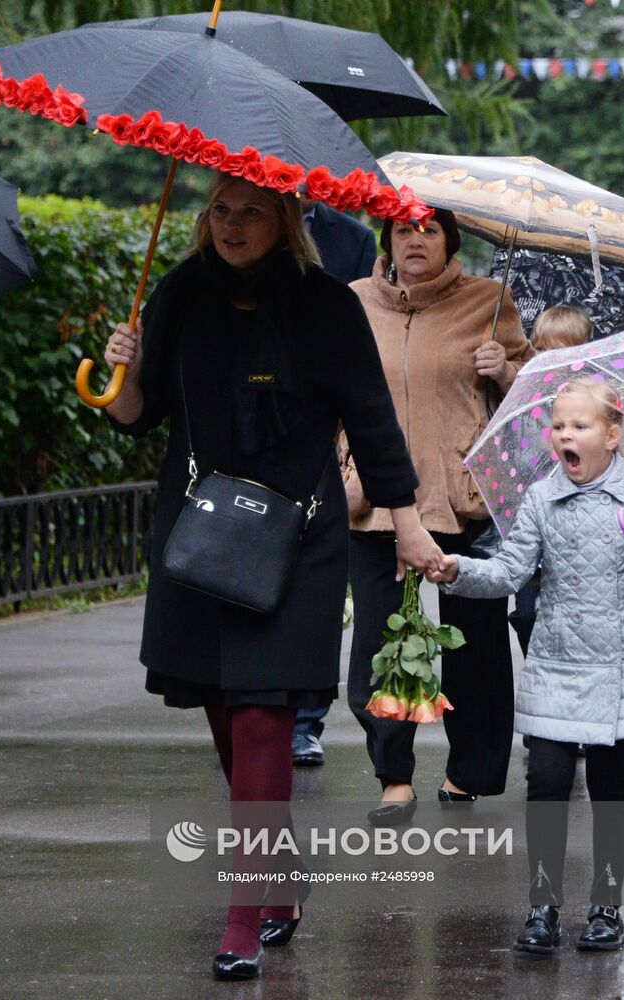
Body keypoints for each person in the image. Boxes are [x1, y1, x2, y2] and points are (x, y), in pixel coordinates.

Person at [103, 174, 442, 981]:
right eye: (220, 209)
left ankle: (243, 912)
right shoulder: (180, 290)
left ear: (285, 219)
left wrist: (403, 517)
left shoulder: (323, 303)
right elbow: (138, 415)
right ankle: (280, 873)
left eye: (251, 211)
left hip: (296, 535)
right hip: (196, 530)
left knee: (262, 712)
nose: (232, 224)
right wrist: (122, 372)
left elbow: (369, 415)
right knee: (222, 706)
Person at [427, 376, 624, 956]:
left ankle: (606, 906)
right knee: (545, 783)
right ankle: (543, 905)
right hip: (557, 665)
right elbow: (510, 570)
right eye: (558, 426)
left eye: (580, 425)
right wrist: (459, 570)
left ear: (613, 434)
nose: (564, 435)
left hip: (623, 671)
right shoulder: (541, 499)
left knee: (609, 789)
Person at [342, 208, 535, 823]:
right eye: (403, 230)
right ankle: (393, 775)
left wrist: (504, 370)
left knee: (474, 648)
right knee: (378, 646)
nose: (415, 239)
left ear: (449, 241)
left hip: (465, 500)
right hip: (371, 504)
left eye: (428, 230)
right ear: (387, 240)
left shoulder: (489, 300)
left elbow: (536, 401)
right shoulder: (352, 303)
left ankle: (468, 771)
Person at [291, 198, 378, 767]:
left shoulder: (351, 237)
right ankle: (258, 707)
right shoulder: (237, 223)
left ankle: (303, 721)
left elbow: (361, 325)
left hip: (334, 418)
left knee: (323, 584)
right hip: (264, 424)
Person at [510, 303, 593, 754]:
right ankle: (547, 704)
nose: (554, 364)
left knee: (579, 628)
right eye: (543, 352)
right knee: (528, 616)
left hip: (582, 540)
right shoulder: (528, 405)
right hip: (539, 533)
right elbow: (518, 463)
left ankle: (575, 716)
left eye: (565, 354)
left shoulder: (600, 411)